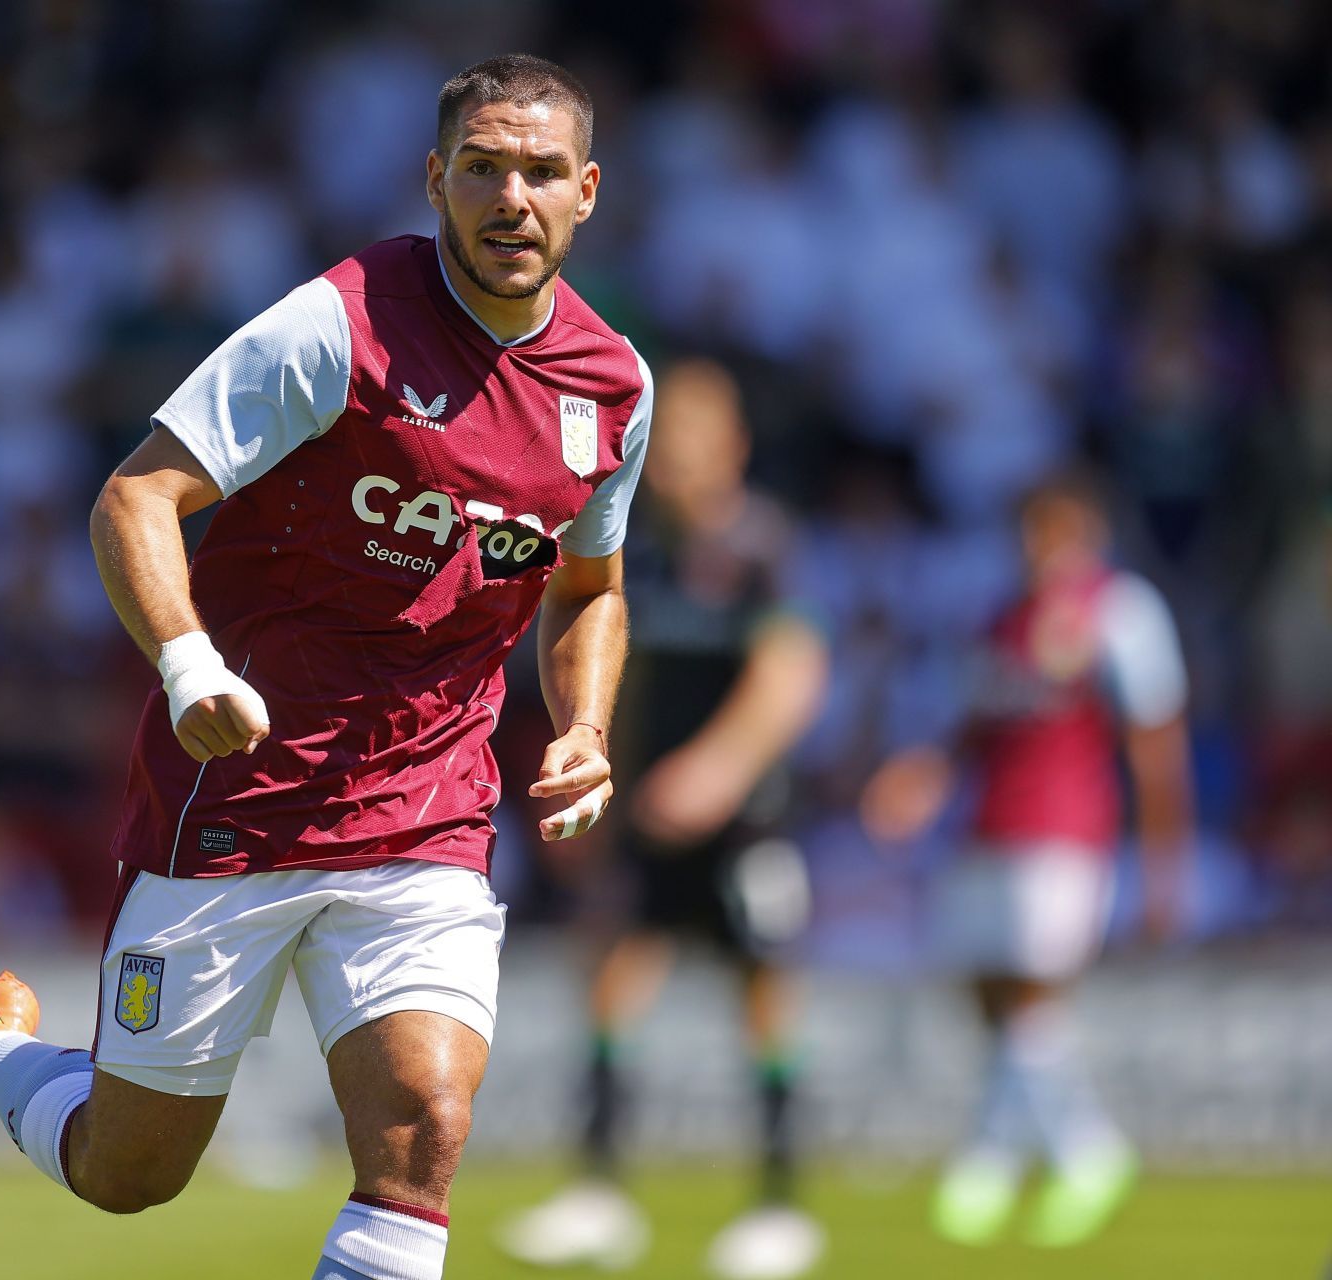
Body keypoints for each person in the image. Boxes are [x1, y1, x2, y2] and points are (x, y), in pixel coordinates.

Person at [0, 54, 654, 1280]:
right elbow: (136, 496)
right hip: (242, 794)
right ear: (435, 178)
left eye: (542, 172)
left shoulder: (613, 387)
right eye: (485, 168)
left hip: (430, 813)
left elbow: (590, 586)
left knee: (424, 1128)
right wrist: (186, 667)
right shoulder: (338, 323)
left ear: (588, 189)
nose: (514, 197)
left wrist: (586, 725)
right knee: (131, 1173)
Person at [496, 361, 830, 1278]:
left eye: (694, 437)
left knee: (764, 997)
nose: (676, 454)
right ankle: (600, 1194)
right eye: (666, 436)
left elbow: (792, 671)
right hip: (649, 816)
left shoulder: (762, 546)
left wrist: (719, 772)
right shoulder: (633, 552)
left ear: (734, 447)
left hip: (744, 821)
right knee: (609, 980)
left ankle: (778, 1205)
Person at [862, 471, 1193, 1249]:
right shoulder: (1002, 620)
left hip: (1069, 829)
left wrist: (1162, 864)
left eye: (1055, 534)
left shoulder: (1121, 612)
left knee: (1035, 995)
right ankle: (1009, 1150)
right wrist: (926, 776)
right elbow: (977, 726)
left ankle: (1076, 1153)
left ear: (1087, 537)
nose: (1040, 550)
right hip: (991, 826)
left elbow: (1155, 743)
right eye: (1031, 534)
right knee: (988, 993)